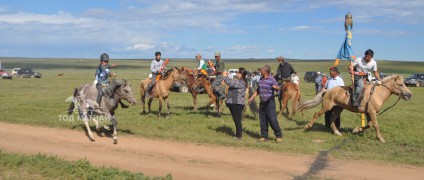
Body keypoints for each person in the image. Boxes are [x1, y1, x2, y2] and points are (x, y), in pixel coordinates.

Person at [248, 65, 283, 143]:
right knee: (263, 120)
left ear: (265, 71)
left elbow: (278, 88)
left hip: (270, 103)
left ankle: (279, 136)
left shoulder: (271, 79)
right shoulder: (260, 79)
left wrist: (276, 87)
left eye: (261, 70)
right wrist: (252, 97)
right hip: (262, 103)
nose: (260, 71)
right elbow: (258, 90)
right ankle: (264, 136)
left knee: (272, 119)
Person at [222, 67, 247, 140]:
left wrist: (225, 76)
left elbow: (231, 83)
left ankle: (239, 136)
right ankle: (238, 134)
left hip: (237, 103)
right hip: (234, 103)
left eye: (238, 72)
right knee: (236, 119)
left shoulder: (241, 82)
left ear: (241, 75)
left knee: (237, 119)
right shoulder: (240, 81)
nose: (236, 73)